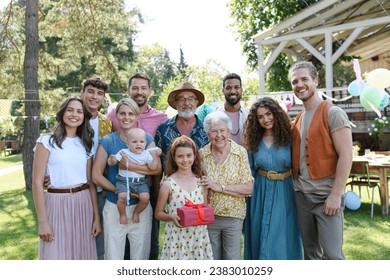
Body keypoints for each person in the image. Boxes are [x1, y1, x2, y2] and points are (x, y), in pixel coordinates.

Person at [289, 60, 352, 260]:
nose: (299, 85)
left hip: (327, 196)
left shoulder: (333, 113)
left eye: (304, 79)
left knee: (333, 256)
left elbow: (346, 155)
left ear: (315, 81)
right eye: (295, 81)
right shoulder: (298, 119)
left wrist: (336, 194)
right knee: (310, 254)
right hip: (302, 197)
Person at [92, 98, 161, 260]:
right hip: (114, 205)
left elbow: (156, 169)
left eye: (131, 114)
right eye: (122, 113)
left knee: (140, 256)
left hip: (141, 207)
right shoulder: (108, 141)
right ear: (116, 115)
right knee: (113, 256)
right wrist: (119, 190)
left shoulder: (146, 139)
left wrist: (128, 166)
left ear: (137, 116)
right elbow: (96, 175)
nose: (126, 117)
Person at [108, 73, 168, 260]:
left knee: (148, 239)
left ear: (150, 91)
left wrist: (131, 165)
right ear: (128, 90)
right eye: (135, 88)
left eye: (143, 88)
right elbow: (111, 143)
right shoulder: (113, 114)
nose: (139, 92)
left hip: (150, 186)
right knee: (121, 240)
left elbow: (158, 159)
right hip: (121, 183)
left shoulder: (161, 118)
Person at [32, 96, 100, 259]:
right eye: (70, 110)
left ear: (84, 116)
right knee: (56, 254)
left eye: (79, 111)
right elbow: (36, 182)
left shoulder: (86, 144)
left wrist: (96, 218)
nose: (74, 114)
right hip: (56, 203)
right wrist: (42, 222)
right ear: (62, 113)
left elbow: (90, 183)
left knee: (81, 256)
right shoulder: (46, 141)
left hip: (83, 204)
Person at [243, 97, 302, 260]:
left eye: (268, 114)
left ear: (276, 113)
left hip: (285, 192)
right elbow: (249, 171)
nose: (265, 119)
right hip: (259, 192)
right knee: (259, 231)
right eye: (260, 117)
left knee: (283, 235)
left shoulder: (291, 137)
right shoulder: (253, 141)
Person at [199, 111, 254, 260]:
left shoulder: (240, 152)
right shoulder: (201, 155)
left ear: (229, 131)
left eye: (222, 130)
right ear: (208, 134)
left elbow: (248, 188)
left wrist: (220, 187)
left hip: (233, 217)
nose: (219, 135)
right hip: (209, 217)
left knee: (232, 260)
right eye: (214, 131)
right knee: (211, 259)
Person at [155, 135, 213, 260]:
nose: (185, 160)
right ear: (174, 158)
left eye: (189, 155)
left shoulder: (201, 182)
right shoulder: (168, 184)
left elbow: (205, 207)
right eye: (180, 156)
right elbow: (158, 213)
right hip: (177, 238)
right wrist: (170, 216)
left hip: (198, 237)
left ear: (194, 156)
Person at [80, 76, 112, 260]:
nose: (95, 97)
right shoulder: (73, 117)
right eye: (90, 91)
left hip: (100, 189)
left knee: (100, 238)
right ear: (82, 93)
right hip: (76, 188)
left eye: (100, 93)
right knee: (78, 237)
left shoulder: (107, 123)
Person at [107, 128, 161, 224]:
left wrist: (156, 157)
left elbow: (153, 168)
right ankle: (122, 214)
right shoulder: (124, 152)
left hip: (140, 182)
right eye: (134, 142)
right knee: (122, 196)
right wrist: (112, 160)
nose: (138, 144)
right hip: (124, 180)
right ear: (128, 143)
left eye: (142, 141)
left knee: (145, 198)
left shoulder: (146, 154)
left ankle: (136, 212)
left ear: (145, 143)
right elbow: (112, 161)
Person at [155, 82, 209, 174]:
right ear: (175, 103)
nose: (186, 103)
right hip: (169, 186)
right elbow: (157, 162)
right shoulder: (163, 129)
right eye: (181, 99)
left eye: (191, 98)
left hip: (200, 185)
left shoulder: (207, 129)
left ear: (196, 102)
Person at [217, 73, 248, 146]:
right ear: (223, 91)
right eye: (228, 88)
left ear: (241, 90)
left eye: (236, 87)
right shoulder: (215, 116)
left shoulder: (249, 116)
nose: (233, 91)